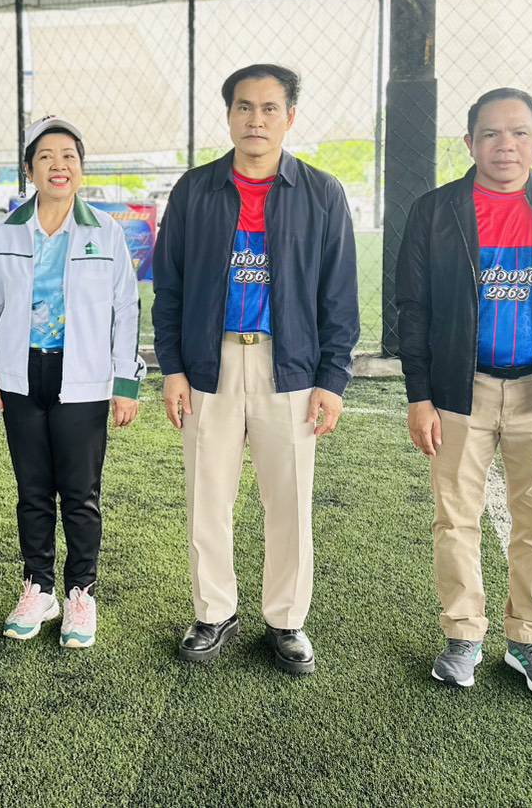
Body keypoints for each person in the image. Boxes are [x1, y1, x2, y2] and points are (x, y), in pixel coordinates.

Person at [396, 87, 532, 697]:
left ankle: (528, 642)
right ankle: (463, 635)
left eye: (519, 133)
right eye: (490, 133)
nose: (505, 145)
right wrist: (419, 395)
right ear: (469, 143)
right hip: (459, 392)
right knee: (455, 518)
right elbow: (412, 309)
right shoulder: (435, 211)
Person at [153, 64, 360, 676]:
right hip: (209, 363)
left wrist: (332, 379)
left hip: (288, 365)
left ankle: (287, 619)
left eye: (270, 109)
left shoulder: (321, 193)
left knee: (288, 499)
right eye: (244, 107)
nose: (256, 120)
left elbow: (339, 297)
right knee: (207, 495)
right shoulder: (195, 190)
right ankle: (213, 611)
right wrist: (173, 368)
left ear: (289, 117)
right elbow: (169, 288)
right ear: (229, 116)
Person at [0, 116, 144, 649]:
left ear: (81, 168)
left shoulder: (105, 231)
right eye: (45, 157)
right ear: (29, 169)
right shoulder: (7, 230)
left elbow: (126, 308)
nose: (58, 166)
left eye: (68, 156)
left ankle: (80, 593)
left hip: (83, 380)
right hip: (22, 376)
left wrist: (126, 381)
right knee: (32, 492)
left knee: (80, 494)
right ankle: (39, 588)